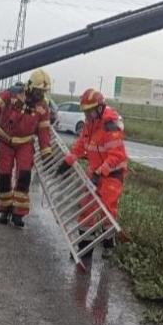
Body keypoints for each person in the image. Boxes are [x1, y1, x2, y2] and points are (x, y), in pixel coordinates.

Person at [56, 89, 128, 254]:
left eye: (90, 111)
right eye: (85, 111)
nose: (87, 114)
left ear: (100, 108)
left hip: (112, 174)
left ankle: (108, 245)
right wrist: (68, 161)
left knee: (107, 209)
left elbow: (116, 155)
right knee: (86, 205)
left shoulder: (110, 126)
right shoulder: (90, 124)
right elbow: (81, 145)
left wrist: (99, 173)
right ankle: (85, 245)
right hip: (95, 170)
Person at [0, 70, 53, 227]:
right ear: (29, 87)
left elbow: (43, 130)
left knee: (24, 175)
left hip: (25, 143)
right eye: (38, 91)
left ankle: (18, 213)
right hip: (5, 141)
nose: (40, 94)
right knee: (4, 175)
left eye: (43, 92)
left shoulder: (43, 107)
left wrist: (46, 151)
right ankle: (5, 209)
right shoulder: (11, 94)